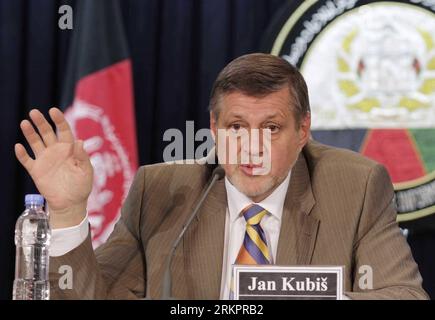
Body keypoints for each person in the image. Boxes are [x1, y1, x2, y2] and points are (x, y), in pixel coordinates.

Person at [15, 53, 428, 299]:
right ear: (214, 130)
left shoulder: (355, 187)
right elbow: (91, 295)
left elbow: (404, 294)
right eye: (236, 128)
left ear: (303, 131)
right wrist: (68, 212)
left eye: (271, 128)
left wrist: (297, 292)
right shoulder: (160, 192)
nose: (252, 147)